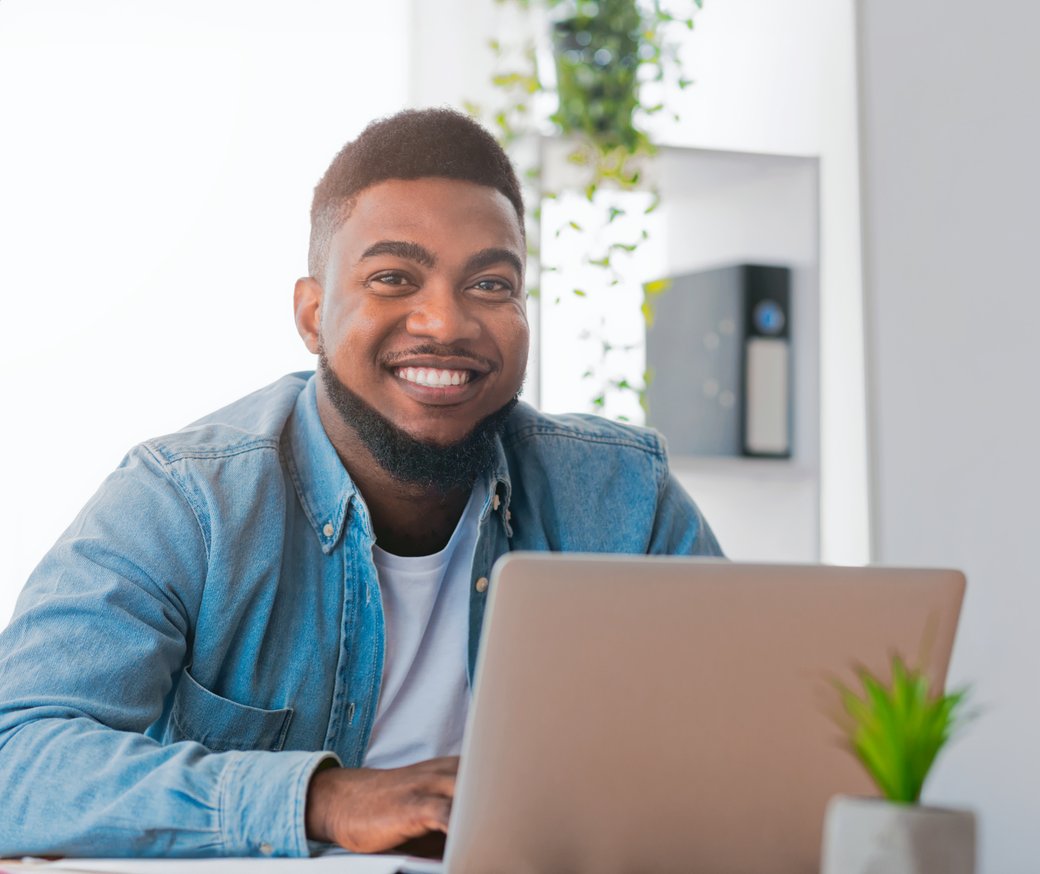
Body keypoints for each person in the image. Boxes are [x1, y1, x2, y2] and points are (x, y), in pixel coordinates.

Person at [0, 108, 721, 858]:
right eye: (393, 277)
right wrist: (319, 800)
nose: (444, 321)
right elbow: (16, 760)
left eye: (490, 283)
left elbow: (753, 732)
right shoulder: (187, 500)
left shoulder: (624, 497)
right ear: (313, 316)